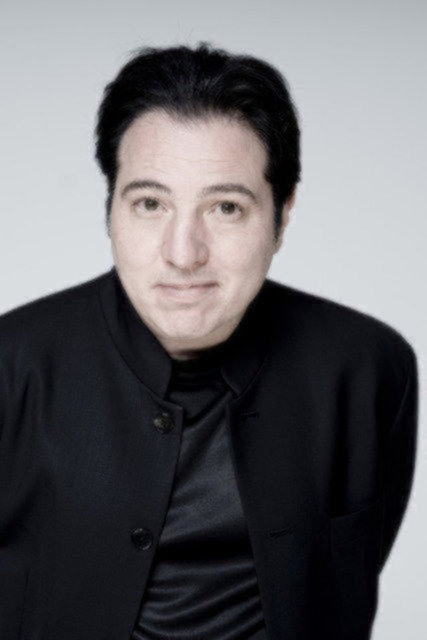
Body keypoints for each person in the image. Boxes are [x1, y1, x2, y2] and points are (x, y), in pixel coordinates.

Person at [0, 42, 418, 640]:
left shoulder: (370, 368)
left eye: (225, 207)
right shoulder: (12, 365)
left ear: (282, 217)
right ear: (110, 209)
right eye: (150, 203)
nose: (183, 253)